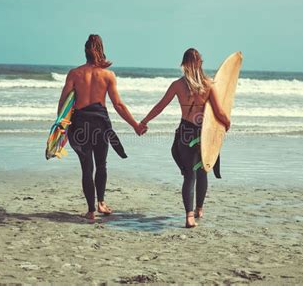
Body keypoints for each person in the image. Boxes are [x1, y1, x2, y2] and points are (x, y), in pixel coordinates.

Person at [57, 34, 147, 220]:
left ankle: (90, 211)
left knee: (86, 168)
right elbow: (118, 105)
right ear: (101, 50)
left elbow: (63, 102)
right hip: (100, 125)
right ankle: (101, 203)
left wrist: (60, 126)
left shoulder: (74, 73)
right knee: (101, 164)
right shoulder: (107, 75)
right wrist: (135, 125)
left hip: (80, 125)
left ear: (85, 51)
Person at [140, 48, 230, 228]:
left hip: (186, 132)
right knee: (203, 170)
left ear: (183, 64)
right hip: (203, 134)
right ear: (200, 63)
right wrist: (227, 123)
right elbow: (219, 112)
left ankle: (189, 216)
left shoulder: (177, 85)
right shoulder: (209, 85)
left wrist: (144, 121)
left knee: (189, 175)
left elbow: (160, 106)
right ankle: (199, 209)